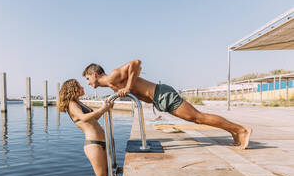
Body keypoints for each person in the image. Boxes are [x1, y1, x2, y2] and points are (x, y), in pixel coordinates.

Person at [82, 60, 252, 149]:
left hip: (162, 94)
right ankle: (235, 132)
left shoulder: (112, 77)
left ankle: (241, 130)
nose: (88, 83)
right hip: (159, 98)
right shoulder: (111, 84)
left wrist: (127, 87)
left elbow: (136, 62)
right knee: (197, 118)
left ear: (95, 74)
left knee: (198, 118)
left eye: (88, 79)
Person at [57, 79, 114, 176]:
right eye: (79, 86)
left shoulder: (79, 103)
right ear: (73, 89)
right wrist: (102, 109)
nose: (83, 87)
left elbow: (94, 118)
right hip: (93, 144)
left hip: (100, 142)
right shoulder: (72, 104)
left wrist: (105, 107)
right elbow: (83, 117)